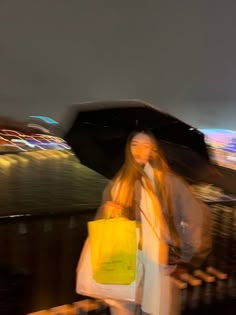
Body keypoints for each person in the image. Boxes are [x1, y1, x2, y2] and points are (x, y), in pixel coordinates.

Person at [82, 130, 212, 315]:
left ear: (154, 150)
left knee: (154, 309)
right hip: (123, 263)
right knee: (123, 309)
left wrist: (183, 257)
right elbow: (101, 222)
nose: (139, 150)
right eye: (134, 144)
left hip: (156, 261)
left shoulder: (169, 182)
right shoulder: (119, 183)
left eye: (146, 145)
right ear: (128, 148)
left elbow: (195, 216)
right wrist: (108, 211)